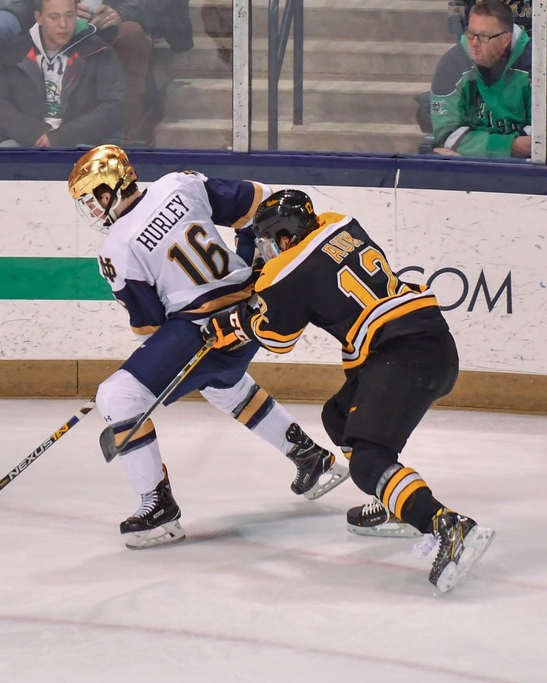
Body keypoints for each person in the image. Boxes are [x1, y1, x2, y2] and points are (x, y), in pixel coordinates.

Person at [200, 189, 495, 593]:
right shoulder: (339, 222)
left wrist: (233, 324)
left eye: (268, 241)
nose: (266, 250)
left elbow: (278, 337)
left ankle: (445, 524)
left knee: (367, 461)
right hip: (425, 341)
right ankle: (398, 504)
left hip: (402, 354)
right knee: (337, 417)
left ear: (285, 236)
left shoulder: (284, 271)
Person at [66, 144, 350, 549]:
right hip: (251, 310)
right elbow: (260, 200)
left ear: (110, 190)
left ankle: (157, 508)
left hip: (203, 326)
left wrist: (174, 347)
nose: (92, 210)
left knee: (119, 396)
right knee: (222, 382)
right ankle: (310, 458)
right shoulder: (179, 184)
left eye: (92, 199)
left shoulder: (115, 248)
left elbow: (150, 327)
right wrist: (252, 260)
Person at [430, 0, 547, 158]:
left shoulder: (538, 65)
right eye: (470, 33)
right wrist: (510, 146)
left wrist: (471, 148)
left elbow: (545, 135)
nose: (473, 43)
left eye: (484, 37)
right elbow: (446, 136)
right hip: (468, 169)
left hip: (523, 170)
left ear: (505, 39)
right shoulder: (451, 65)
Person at [0, 0, 126, 147]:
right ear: (38, 17)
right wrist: (35, 133)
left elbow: (114, 106)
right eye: (54, 17)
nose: (63, 24)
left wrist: (60, 137)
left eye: (69, 15)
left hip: (81, 142)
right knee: (7, 149)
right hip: (29, 141)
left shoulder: (98, 51)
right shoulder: (16, 52)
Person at [76, 1, 152, 145]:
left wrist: (120, 12)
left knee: (131, 33)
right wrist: (64, 11)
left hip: (115, 26)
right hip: (63, 22)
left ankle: (125, 128)